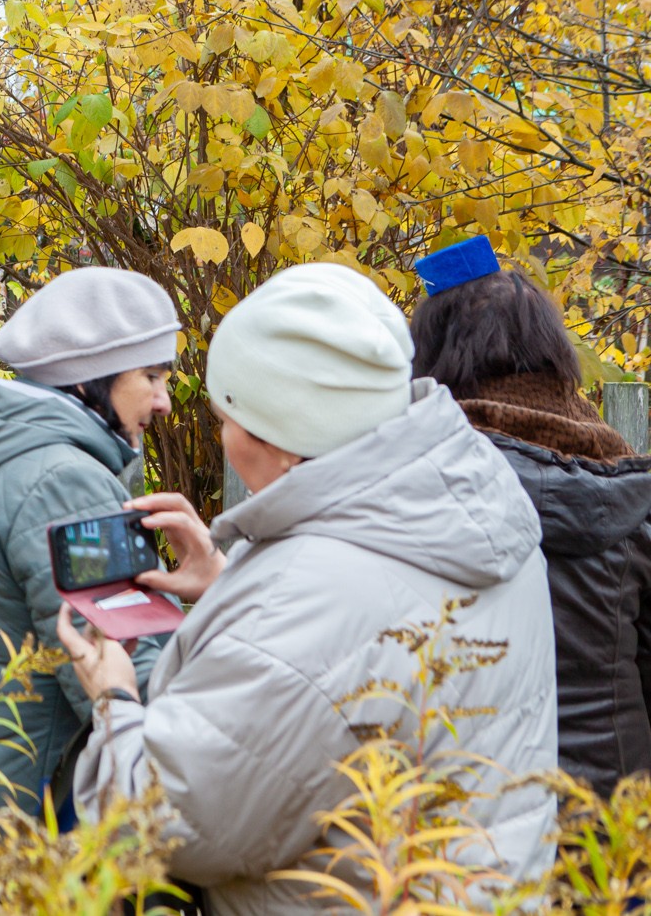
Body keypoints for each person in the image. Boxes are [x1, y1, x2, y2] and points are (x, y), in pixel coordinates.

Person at [58, 263, 557, 915]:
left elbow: (174, 823)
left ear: (279, 434)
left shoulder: (311, 599)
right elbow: (354, 657)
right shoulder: (465, 504)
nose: (221, 434)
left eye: (226, 416)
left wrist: (116, 697)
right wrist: (228, 580)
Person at [0, 265, 179, 825]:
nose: (164, 401)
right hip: (34, 808)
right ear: (87, 381)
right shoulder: (66, 483)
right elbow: (122, 658)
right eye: (152, 377)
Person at [412, 236, 651, 794]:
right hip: (607, 826)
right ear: (552, 351)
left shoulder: (414, 485)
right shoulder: (622, 486)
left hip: (463, 809)